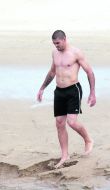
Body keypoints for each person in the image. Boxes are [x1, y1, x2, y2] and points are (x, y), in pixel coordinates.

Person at [36, 30, 96, 168]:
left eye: (58, 43)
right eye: (54, 44)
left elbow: (89, 72)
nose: (56, 46)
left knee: (72, 122)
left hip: (73, 90)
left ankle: (88, 140)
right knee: (59, 123)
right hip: (59, 91)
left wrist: (92, 93)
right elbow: (52, 72)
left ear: (64, 39)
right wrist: (42, 88)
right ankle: (65, 155)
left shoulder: (76, 53)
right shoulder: (55, 53)